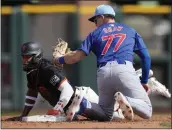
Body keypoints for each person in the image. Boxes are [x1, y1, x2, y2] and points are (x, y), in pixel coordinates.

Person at [54, 4, 153, 121]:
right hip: (124, 70)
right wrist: (144, 80)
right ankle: (127, 100)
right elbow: (146, 57)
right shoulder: (130, 30)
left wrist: (58, 59)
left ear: (101, 17)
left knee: (105, 114)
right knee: (147, 110)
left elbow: (76, 57)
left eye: (95, 20)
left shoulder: (94, 34)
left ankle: (82, 104)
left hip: (103, 73)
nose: (95, 24)